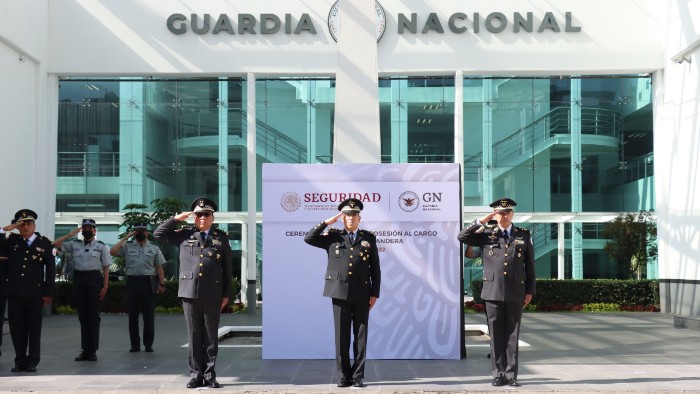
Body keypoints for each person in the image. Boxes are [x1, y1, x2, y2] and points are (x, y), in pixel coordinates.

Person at [153, 197, 232, 389]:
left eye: (206, 214)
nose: (202, 218)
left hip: (213, 293)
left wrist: (227, 294)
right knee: (194, 336)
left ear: (213, 217)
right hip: (189, 292)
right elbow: (158, 233)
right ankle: (196, 374)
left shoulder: (221, 237)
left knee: (210, 337)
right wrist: (176, 219)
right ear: (194, 217)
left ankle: (210, 375)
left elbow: (227, 268)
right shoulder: (183, 235)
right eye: (198, 215)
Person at [457, 198, 536, 387]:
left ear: (513, 213)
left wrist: (530, 291)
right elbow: (461, 237)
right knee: (496, 335)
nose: (505, 215)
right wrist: (481, 221)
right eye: (501, 212)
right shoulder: (485, 234)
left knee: (512, 335)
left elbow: (530, 266)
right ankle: (498, 374)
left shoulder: (523, 235)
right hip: (492, 292)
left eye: (508, 211)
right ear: (495, 214)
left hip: (516, 291)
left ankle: (511, 375)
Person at [304, 198, 381, 388]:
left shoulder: (368, 238)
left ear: (359, 218)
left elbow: (375, 269)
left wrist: (374, 293)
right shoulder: (333, 236)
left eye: (354, 216)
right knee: (341, 337)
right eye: (347, 216)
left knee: (360, 337)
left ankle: (357, 376)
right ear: (343, 218)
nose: (351, 219)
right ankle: (343, 376)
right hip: (339, 292)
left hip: (362, 293)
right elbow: (309, 238)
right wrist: (326, 222)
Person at [0, 210, 56, 373]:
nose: (25, 227)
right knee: (17, 329)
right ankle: (19, 361)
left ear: (34, 225)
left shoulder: (45, 243)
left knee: (34, 328)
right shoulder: (12, 242)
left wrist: (48, 293)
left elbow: (51, 271)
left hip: (35, 293)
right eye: (22, 224)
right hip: (15, 292)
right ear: (18, 227)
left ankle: (32, 361)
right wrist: (6, 229)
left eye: (29, 223)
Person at [54, 218, 111, 362]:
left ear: (94, 231)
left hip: (94, 279)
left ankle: (92, 351)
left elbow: (106, 267)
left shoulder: (101, 246)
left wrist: (105, 286)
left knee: (93, 315)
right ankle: (85, 350)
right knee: (83, 316)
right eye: (84, 227)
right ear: (81, 230)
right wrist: (69, 234)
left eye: (90, 228)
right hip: (79, 279)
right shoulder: (74, 244)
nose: (87, 230)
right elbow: (55, 244)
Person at [109, 223, 166, 353]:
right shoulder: (128, 246)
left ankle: (148, 344)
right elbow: (112, 251)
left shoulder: (154, 248)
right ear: (134, 232)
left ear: (147, 233)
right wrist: (126, 237)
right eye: (137, 231)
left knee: (149, 316)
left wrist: (162, 284)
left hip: (148, 282)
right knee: (132, 316)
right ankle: (134, 345)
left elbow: (159, 267)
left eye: (143, 231)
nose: (140, 233)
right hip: (132, 282)